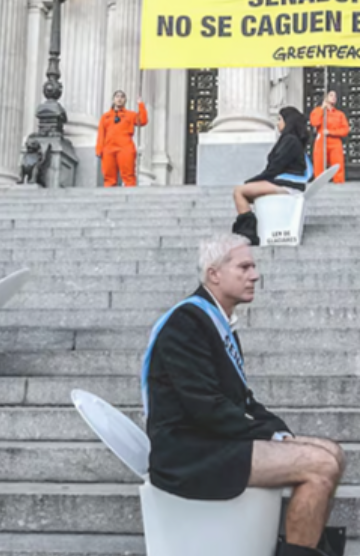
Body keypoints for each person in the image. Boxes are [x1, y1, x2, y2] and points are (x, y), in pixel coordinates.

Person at [142, 234, 346, 556]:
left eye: (253, 267)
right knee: (319, 465)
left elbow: (243, 400)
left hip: (214, 441)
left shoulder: (216, 322)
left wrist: (281, 433)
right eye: (244, 267)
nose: (255, 275)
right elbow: (206, 407)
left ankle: (309, 546)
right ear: (214, 274)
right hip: (190, 453)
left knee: (333, 453)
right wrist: (273, 438)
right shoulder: (186, 323)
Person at [231, 106, 312, 246]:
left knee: (239, 191)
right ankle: (250, 230)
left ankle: (248, 233)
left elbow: (274, 169)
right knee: (244, 191)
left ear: (288, 121)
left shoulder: (290, 141)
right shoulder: (291, 140)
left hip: (287, 186)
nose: (277, 123)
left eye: (280, 119)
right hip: (284, 184)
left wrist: (252, 181)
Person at [97, 90, 148, 188]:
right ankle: (108, 196)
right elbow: (101, 134)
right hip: (109, 148)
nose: (119, 99)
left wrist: (140, 104)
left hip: (125, 147)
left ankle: (131, 196)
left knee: (128, 176)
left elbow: (143, 120)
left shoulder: (130, 115)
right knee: (109, 177)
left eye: (122, 97)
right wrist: (99, 149)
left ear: (125, 100)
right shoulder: (105, 117)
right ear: (113, 99)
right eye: (117, 96)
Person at [309, 90, 348, 184]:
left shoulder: (340, 114)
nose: (333, 97)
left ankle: (338, 185)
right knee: (319, 165)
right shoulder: (318, 111)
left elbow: (345, 130)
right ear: (325, 97)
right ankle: (319, 185)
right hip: (321, 141)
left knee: (337, 165)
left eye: (335, 96)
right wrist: (322, 108)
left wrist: (331, 132)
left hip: (335, 142)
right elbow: (314, 122)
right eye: (331, 95)